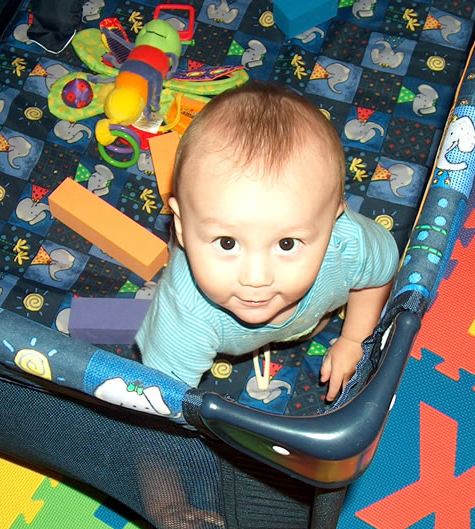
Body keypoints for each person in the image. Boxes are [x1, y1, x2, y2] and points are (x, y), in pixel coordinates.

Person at [136, 81, 399, 402]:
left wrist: (356, 339)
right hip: (206, 333)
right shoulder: (185, 315)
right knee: (124, 330)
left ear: (333, 223)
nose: (256, 277)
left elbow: (381, 272)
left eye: (287, 244)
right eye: (227, 243)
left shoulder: (347, 244)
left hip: (307, 320)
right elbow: (163, 398)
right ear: (179, 225)